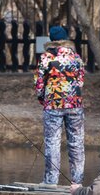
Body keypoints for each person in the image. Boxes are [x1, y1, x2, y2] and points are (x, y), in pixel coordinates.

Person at [34, 25, 85, 186]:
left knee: (52, 143)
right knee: (76, 143)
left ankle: (51, 181)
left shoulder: (46, 58)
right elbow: (80, 81)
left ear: (51, 40)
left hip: (53, 105)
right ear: (65, 39)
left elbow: (39, 83)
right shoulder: (76, 57)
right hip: (75, 104)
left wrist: (42, 98)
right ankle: (77, 181)